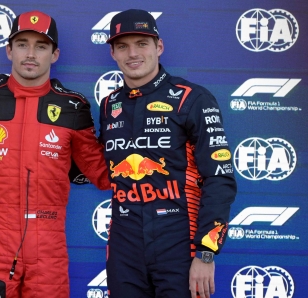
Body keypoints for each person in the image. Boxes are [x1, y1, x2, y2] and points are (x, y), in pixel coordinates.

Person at [0, 10, 110, 298]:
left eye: (41, 46)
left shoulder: (73, 107)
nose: (30, 54)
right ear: (9, 50)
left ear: (54, 55)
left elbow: (101, 174)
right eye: (22, 44)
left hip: (49, 245)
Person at [100, 9, 237, 298]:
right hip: (125, 248)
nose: (132, 53)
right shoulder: (108, 104)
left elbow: (220, 178)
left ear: (158, 47)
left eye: (142, 43)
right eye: (122, 46)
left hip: (179, 243)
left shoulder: (192, 98)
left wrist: (206, 252)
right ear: (112, 53)